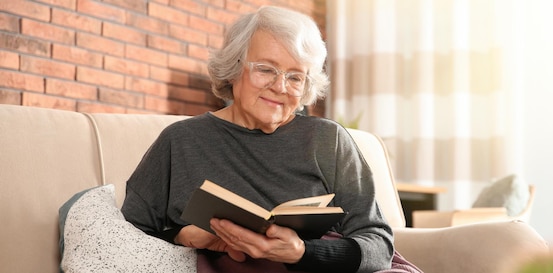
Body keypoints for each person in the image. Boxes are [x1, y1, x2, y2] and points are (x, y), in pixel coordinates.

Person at [121, 6, 396, 273]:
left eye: (295, 77)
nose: (280, 87)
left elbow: (378, 245)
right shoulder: (179, 141)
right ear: (234, 67)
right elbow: (123, 238)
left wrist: (303, 253)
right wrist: (182, 238)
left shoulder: (328, 140)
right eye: (265, 69)